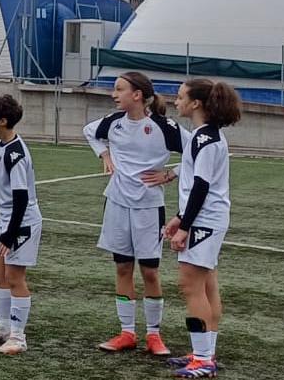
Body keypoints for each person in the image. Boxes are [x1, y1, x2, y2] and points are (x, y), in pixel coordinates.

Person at [84, 71, 183, 357]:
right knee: (122, 268)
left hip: (149, 207)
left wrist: (171, 173)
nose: (114, 94)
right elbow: (89, 131)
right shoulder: (113, 122)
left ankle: (154, 335)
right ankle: (127, 332)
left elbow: (197, 153)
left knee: (150, 271)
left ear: (137, 95)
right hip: (116, 203)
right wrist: (104, 154)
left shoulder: (163, 127)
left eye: (119, 89)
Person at [158, 78, 241, 379]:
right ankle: (205, 353)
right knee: (207, 286)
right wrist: (180, 217)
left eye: (180, 97)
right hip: (207, 219)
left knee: (191, 286)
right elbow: (198, 184)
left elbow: (201, 186)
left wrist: (185, 225)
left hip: (205, 221)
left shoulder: (205, 138)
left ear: (196, 103)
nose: (175, 101)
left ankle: (204, 360)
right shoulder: (205, 135)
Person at [0, 94, 42, 356]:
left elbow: (21, 197)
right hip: (4, 218)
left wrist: (11, 233)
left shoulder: (15, 153)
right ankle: (3, 327)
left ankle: (18, 337)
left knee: (15, 277)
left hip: (21, 221)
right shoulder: (0, 145)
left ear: (2, 121)